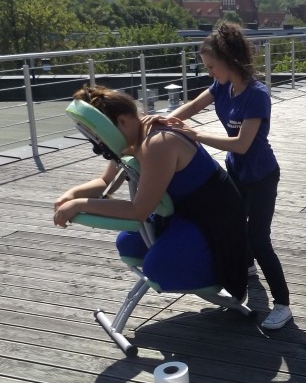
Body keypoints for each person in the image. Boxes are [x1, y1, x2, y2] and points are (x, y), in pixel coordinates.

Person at [149, 21, 292, 330]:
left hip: (262, 175)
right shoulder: (222, 86)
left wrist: (195, 135)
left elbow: (242, 144)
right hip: (236, 172)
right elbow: (193, 106)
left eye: (211, 66)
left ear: (229, 60)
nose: (210, 72)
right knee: (234, 226)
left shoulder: (256, 95)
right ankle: (247, 272)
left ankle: (283, 304)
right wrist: (162, 120)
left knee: (258, 238)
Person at [54, 85, 248, 300]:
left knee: (158, 267)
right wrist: (71, 195)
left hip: (214, 219)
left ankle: (217, 274)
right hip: (182, 210)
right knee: (129, 244)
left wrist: (79, 205)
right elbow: (105, 182)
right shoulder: (133, 134)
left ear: (122, 121)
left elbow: (138, 211)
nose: (102, 144)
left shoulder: (158, 143)